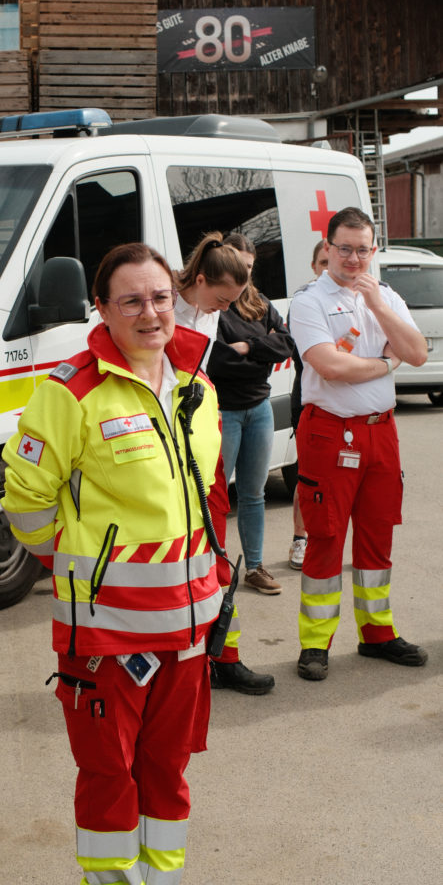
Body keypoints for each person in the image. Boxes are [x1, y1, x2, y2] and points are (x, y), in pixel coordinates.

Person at [2, 242, 221, 885]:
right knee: (109, 777)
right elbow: (26, 500)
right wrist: (77, 575)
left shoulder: (195, 378)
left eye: (159, 296)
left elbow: (204, 493)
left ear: (176, 297)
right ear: (101, 309)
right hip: (105, 634)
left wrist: (217, 576)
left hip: (188, 630)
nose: (150, 312)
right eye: (130, 300)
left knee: (167, 771)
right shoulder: (71, 392)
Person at [289, 206, 429, 681]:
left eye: (362, 250)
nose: (353, 258)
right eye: (344, 248)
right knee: (325, 538)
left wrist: (380, 309)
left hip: (381, 432)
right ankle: (314, 644)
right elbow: (331, 366)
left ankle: (377, 634)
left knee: (377, 536)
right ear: (326, 248)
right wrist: (386, 365)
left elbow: (418, 352)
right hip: (330, 431)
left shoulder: (385, 296)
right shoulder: (308, 300)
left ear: (373, 251)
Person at [174, 232, 275, 696]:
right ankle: (186, 659)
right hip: (166, 451)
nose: (222, 311)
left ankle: (222, 655)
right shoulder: (163, 310)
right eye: (219, 300)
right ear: (197, 280)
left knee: (215, 555)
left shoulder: (207, 312)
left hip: (202, 440)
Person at [205, 233, 295, 597]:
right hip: (222, 411)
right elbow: (216, 360)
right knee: (215, 494)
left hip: (259, 408)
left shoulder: (259, 302)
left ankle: (255, 567)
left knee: (254, 493)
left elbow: (287, 343)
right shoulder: (215, 306)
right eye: (238, 267)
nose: (243, 277)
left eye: (249, 269)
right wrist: (260, 353)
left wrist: (246, 347)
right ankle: (212, 568)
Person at [287, 240, 329, 571]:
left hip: (348, 404)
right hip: (309, 400)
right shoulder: (304, 302)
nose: (328, 269)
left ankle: (334, 538)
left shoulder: (355, 301)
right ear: (314, 267)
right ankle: (300, 539)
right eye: (323, 263)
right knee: (307, 476)